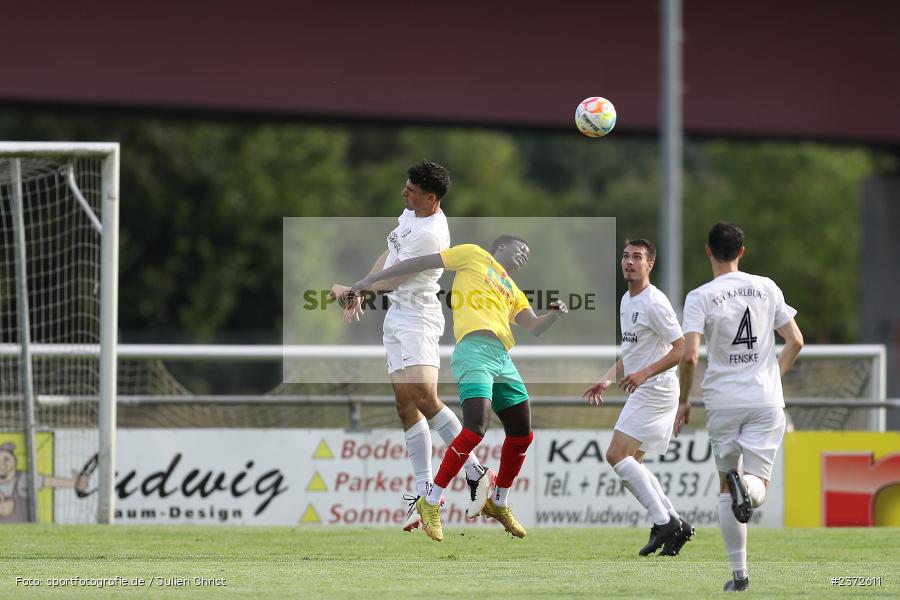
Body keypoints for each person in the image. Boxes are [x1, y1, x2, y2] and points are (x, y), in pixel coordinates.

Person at [350, 234, 568, 541]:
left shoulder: (513, 290)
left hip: (502, 358)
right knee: (476, 428)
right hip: (474, 351)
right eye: (521, 249)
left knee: (522, 434)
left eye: (527, 255)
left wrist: (554, 315)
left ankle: (498, 501)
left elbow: (533, 326)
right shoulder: (474, 255)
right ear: (501, 247)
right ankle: (430, 501)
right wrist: (369, 281)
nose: (523, 256)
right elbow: (422, 262)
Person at [329, 161, 491, 532]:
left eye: (411, 190)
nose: (404, 193)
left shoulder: (431, 234)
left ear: (430, 198)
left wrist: (356, 289)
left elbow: (395, 279)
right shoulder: (411, 214)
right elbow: (389, 256)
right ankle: (423, 493)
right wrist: (363, 286)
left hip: (418, 317)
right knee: (405, 404)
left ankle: (476, 471)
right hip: (397, 317)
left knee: (424, 397)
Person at [675, 222, 803, 592]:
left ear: (707, 251)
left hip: (723, 399)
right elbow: (795, 341)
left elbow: (690, 356)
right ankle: (748, 486)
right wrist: (771, 377)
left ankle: (740, 577)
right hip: (764, 397)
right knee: (758, 482)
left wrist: (684, 400)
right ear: (741, 251)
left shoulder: (700, 296)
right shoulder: (767, 286)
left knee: (724, 486)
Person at [583, 238, 691, 556]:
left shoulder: (654, 302)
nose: (629, 262)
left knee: (616, 454)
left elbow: (681, 348)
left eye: (637, 257)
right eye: (626, 256)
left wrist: (645, 374)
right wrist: (606, 379)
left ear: (650, 265)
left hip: (656, 390)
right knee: (635, 462)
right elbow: (631, 353)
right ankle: (676, 523)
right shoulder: (627, 300)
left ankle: (664, 521)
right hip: (647, 389)